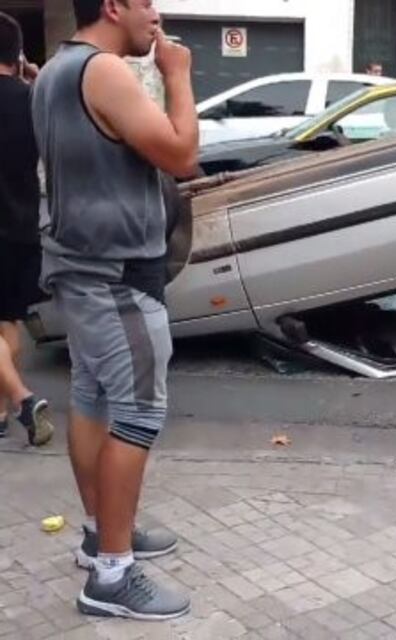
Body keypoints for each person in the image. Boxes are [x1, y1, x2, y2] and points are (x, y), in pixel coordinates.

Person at [32, 0, 199, 620]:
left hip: (80, 268)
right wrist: (178, 74)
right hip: (116, 275)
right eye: (147, 2)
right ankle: (113, 575)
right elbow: (182, 154)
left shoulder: (56, 70)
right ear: (113, 6)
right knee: (138, 411)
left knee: (94, 399)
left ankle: (101, 534)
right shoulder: (104, 71)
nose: (156, 14)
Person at [0, 11, 55, 447]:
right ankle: (0, 412)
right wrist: (31, 78)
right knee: (7, 325)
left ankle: (21, 398)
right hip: (23, 226)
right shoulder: (34, 98)